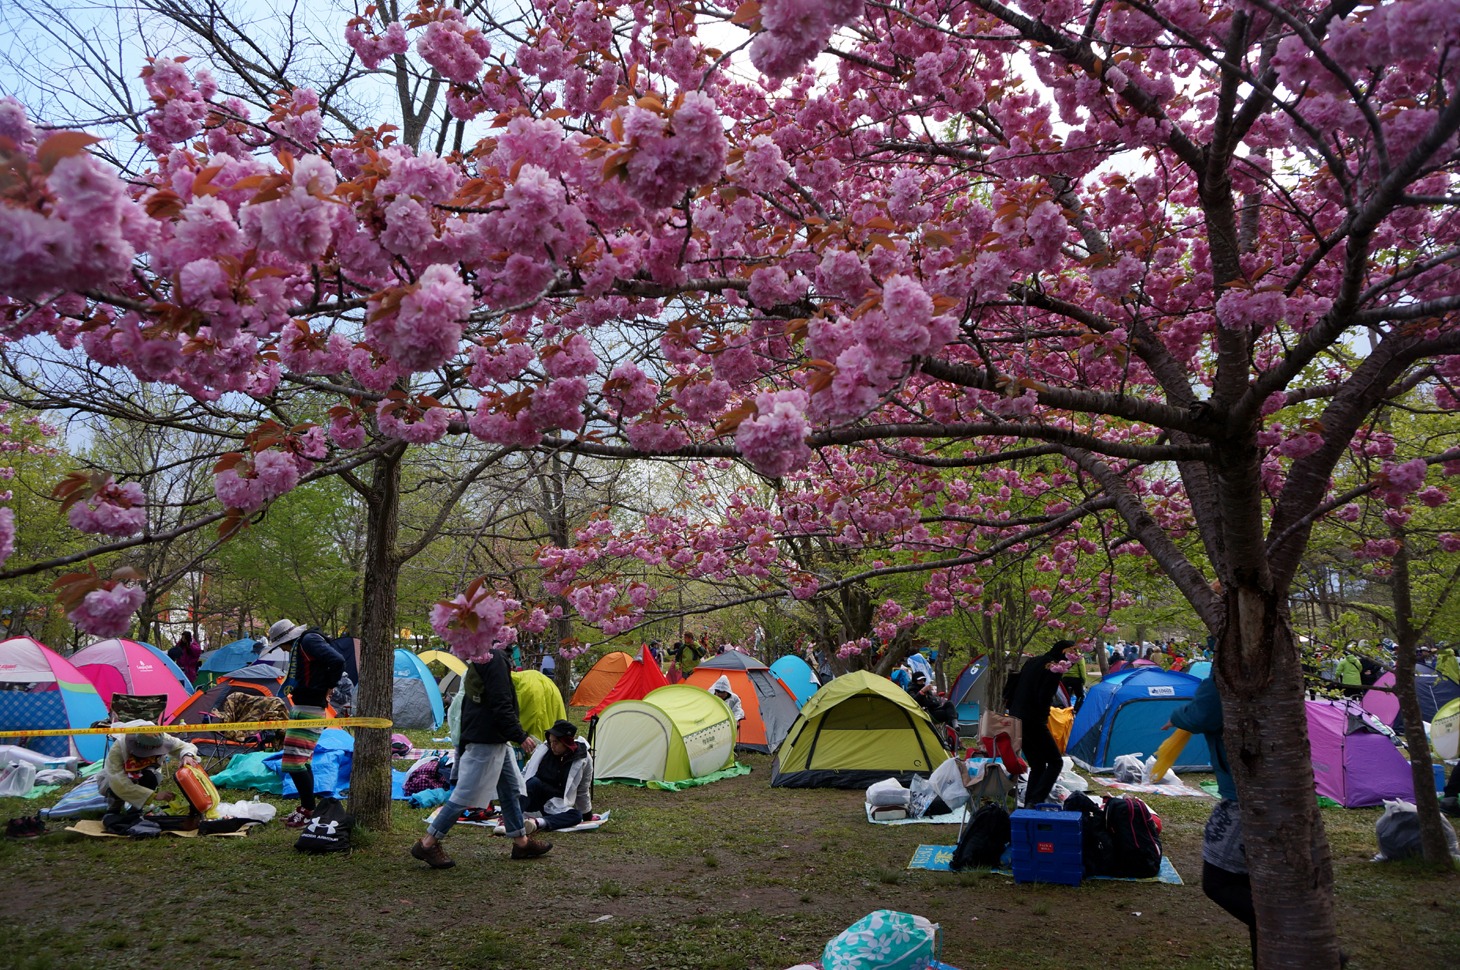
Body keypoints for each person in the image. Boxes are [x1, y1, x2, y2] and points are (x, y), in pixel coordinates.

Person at [410, 643, 552, 869]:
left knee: (510, 789)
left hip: (492, 738)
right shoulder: (493, 659)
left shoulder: (484, 657)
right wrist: (519, 735)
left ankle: (521, 842)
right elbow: (500, 702)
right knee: (464, 794)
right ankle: (428, 843)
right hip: (485, 740)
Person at [1166, 675, 1256, 965]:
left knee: (1219, 883)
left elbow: (1203, 714)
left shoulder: (1224, 676)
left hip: (1244, 794)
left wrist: (1178, 715)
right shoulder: (1271, 670)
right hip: (1268, 788)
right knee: (1254, 883)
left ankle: (1298, 938)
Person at [268, 618, 346, 828]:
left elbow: (337, 661)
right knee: (302, 761)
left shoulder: (308, 640)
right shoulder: (303, 645)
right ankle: (306, 808)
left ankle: (308, 811)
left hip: (311, 708)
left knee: (293, 763)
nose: (284, 650)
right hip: (302, 706)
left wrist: (329, 687)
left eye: (282, 645)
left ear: (288, 639)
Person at [1008, 638, 1080, 807]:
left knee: (1038, 764)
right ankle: (1036, 801)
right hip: (1033, 719)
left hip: (1017, 716)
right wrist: (1044, 715)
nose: (1074, 657)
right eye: (1073, 653)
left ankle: (1029, 803)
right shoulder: (1053, 668)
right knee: (1056, 761)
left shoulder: (1033, 661)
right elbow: (1044, 695)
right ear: (1064, 653)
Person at [98, 720, 201, 814]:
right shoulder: (119, 747)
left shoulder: (163, 737)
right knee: (113, 784)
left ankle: (136, 809)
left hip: (143, 772)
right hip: (117, 777)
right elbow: (117, 779)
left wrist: (187, 755)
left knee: (150, 777)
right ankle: (114, 807)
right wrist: (153, 796)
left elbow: (185, 746)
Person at [519, 719, 594, 831]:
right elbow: (525, 773)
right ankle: (510, 818)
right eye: (551, 741)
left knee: (576, 815)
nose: (552, 745)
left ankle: (538, 823)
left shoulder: (583, 758)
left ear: (566, 742)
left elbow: (582, 789)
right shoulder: (543, 750)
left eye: (556, 742)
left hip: (556, 804)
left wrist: (587, 814)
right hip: (534, 797)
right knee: (533, 782)